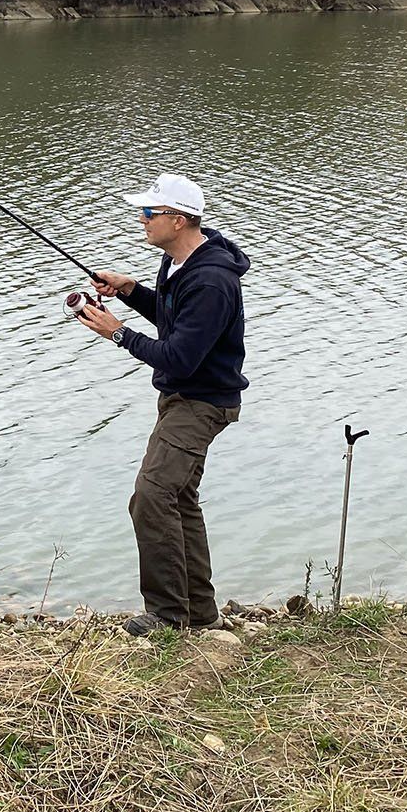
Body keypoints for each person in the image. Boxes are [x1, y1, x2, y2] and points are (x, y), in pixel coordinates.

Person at [79, 172, 250, 636]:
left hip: (201, 403)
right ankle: (200, 613)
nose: (142, 220)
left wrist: (117, 333)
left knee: (151, 499)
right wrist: (132, 291)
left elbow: (180, 355)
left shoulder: (212, 281)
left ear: (177, 219)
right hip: (179, 398)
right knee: (179, 500)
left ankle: (167, 616)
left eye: (149, 213)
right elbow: (176, 321)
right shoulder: (179, 265)